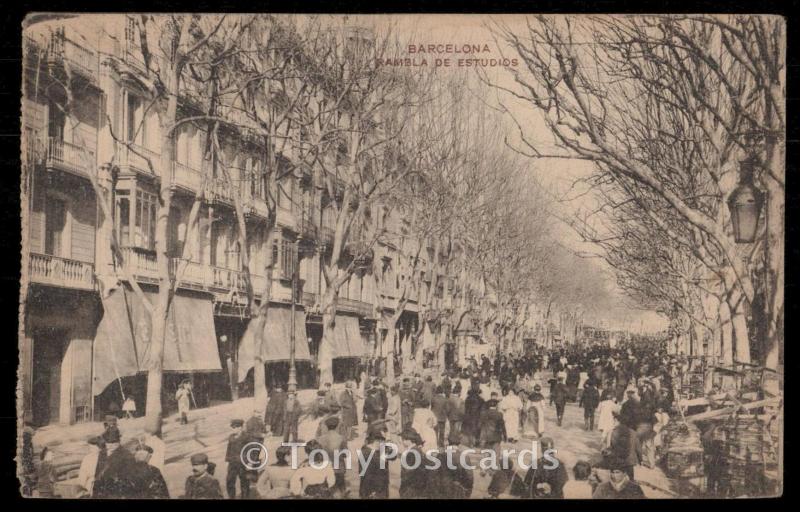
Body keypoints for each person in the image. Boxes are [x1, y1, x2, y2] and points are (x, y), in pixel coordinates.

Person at [93, 427, 137, 498]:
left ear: (119, 442)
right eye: (108, 443)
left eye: (114, 443)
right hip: (101, 491)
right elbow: (97, 474)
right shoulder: (102, 453)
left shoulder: (127, 456)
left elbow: (129, 480)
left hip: (117, 493)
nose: (110, 445)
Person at [429, 431, 474, 498]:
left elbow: (433, 474)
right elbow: (469, 477)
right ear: (459, 443)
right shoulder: (465, 457)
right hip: (458, 491)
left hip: (443, 491)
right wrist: (468, 492)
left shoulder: (441, 455)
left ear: (448, 442)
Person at [316, 416, 348, 497]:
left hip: (325, 468)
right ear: (337, 426)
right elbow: (345, 454)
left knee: (325, 491)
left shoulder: (320, 439)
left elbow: (317, 454)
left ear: (326, 426)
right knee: (342, 491)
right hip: (338, 468)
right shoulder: (341, 438)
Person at [359, 431, 394, 498]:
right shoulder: (368, 453)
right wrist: (373, 491)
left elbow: (392, 456)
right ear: (376, 441)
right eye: (382, 442)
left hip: (379, 489)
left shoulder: (372, 450)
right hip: (374, 490)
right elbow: (367, 475)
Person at [605, 412, 639, 481]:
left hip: (617, 460)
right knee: (631, 478)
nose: (613, 422)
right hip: (630, 460)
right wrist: (640, 458)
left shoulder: (612, 432)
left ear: (619, 422)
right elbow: (638, 448)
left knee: (615, 478)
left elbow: (608, 447)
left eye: (614, 421)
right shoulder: (634, 432)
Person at [399, 428, 431, 498]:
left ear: (408, 440)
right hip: (418, 487)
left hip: (411, 488)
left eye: (403, 439)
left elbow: (407, 473)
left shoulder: (411, 452)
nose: (402, 441)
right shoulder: (417, 450)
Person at [225, 419, 250, 499]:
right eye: (233, 427)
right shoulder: (231, 437)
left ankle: (245, 497)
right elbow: (229, 449)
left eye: (236, 427)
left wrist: (250, 462)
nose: (234, 429)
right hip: (232, 463)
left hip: (243, 463)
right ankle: (231, 497)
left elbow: (251, 450)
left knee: (244, 482)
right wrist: (227, 459)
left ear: (241, 427)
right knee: (230, 481)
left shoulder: (246, 437)